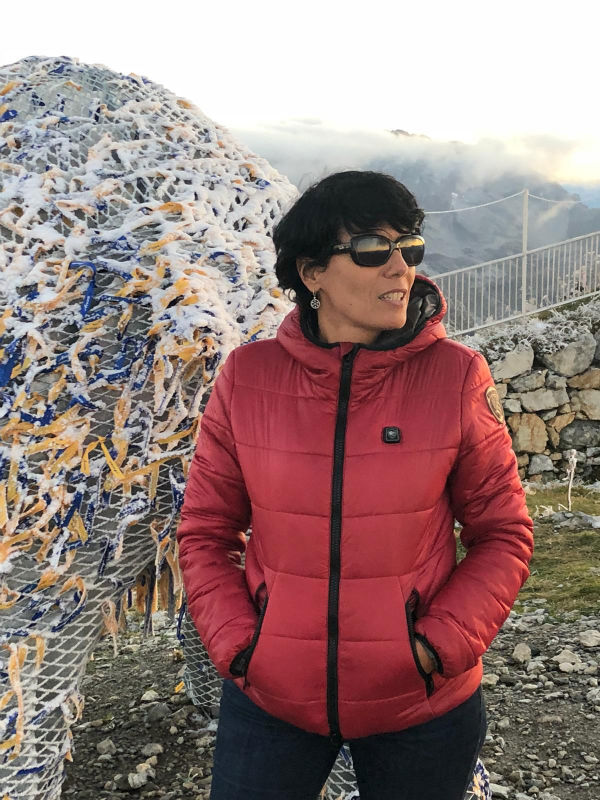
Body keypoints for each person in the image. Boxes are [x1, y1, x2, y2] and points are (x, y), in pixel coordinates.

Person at [176, 170, 534, 800]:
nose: (401, 268)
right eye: (372, 249)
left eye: (409, 247)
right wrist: (242, 646)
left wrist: (434, 649)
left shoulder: (455, 377)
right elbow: (206, 531)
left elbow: (503, 533)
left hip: (422, 705)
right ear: (311, 273)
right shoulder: (247, 378)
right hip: (270, 701)